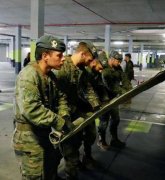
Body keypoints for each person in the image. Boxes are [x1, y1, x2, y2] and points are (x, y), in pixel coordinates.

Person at [12, 35, 72, 179]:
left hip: (44, 133)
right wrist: (60, 122)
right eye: (59, 55)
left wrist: (64, 114)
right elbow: (32, 110)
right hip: (29, 138)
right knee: (35, 176)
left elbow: (61, 98)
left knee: (51, 168)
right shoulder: (28, 76)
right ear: (45, 56)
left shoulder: (50, 75)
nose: (63, 58)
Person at [54, 41, 100, 179]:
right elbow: (55, 96)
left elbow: (87, 88)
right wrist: (61, 119)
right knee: (65, 150)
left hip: (73, 111)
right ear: (83, 53)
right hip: (60, 115)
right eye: (90, 59)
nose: (90, 62)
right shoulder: (62, 68)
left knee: (78, 140)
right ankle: (67, 173)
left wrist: (96, 104)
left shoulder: (82, 70)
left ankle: (73, 166)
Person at [97, 51, 132, 150]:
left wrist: (129, 90)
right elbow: (110, 86)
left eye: (120, 61)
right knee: (104, 121)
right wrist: (124, 93)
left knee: (116, 119)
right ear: (111, 59)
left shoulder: (118, 68)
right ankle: (101, 140)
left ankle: (114, 139)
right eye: (118, 61)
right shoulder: (105, 70)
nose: (119, 63)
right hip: (104, 99)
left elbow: (124, 79)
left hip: (114, 99)